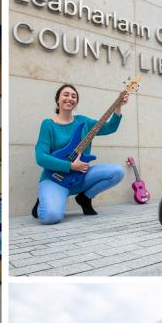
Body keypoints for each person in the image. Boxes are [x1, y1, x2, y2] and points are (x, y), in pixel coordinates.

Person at [32, 84, 128, 224]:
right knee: (51, 216)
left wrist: (118, 107)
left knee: (117, 172)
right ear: (57, 99)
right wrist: (70, 166)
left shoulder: (83, 122)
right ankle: (44, 199)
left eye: (73, 96)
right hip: (55, 179)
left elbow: (110, 127)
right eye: (66, 94)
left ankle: (84, 198)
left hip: (80, 177)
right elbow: (41, 157)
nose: (69, 98)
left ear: (76, 102)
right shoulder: (48, 124)